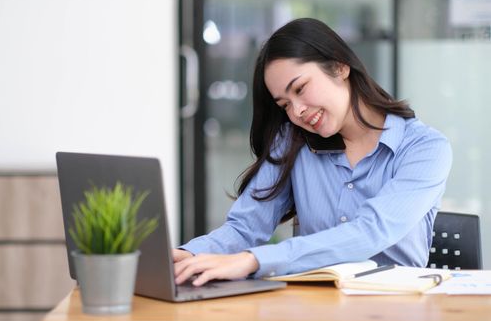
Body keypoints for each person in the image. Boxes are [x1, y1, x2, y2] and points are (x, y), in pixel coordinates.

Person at [174, 17, 452, 287]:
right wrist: (187, 256)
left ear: (340, 67)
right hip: (312, 312)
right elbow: (245, 228)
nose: (297, 111)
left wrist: (254, 261)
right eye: (284, 104)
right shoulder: (293, 141)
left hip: (396, 317)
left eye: (300, 88)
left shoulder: (424, 149)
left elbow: (371, 232)